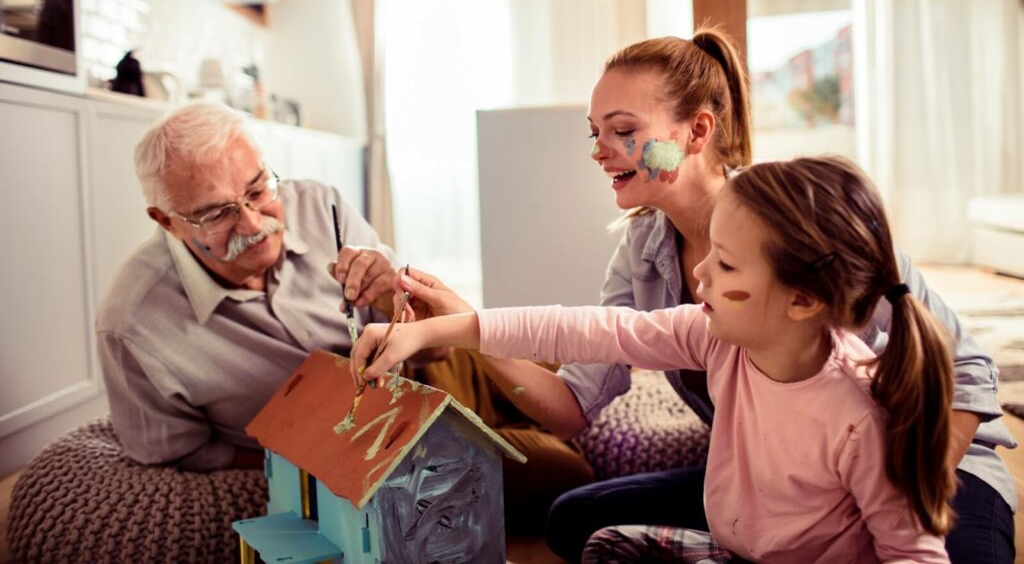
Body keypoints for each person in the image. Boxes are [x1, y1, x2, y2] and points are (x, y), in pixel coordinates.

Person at [372, 31, 1017, 562]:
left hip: (923, 473)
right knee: (575, 521)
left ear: (697, 131)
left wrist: (871, 504)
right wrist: (464, 326)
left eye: (621, 130)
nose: (599, 151)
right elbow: (573, 395)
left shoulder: (801, 229)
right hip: (777, 486)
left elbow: (966, 375)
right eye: (593, 131)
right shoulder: (643, 254)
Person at [352, 156, 958, 563]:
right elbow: (587, 329)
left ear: (801, 300)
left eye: (724, 265)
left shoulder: (858, 414)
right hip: (731, 551)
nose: (699, 274)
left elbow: (914, 552)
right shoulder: (715, 336)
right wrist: (438, 330)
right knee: (607, 544)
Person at [95, 103, 593, 526]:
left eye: (257, 190)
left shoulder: (317, 203)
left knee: (574, 380)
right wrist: (315, 460)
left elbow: (435, 342)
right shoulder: (134, 326)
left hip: (435, 369)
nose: (254, 222)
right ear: (166, 222)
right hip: (388, 455)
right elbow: (177, 456)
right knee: (567, 477)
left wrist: (393, 299)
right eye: (217, 213)